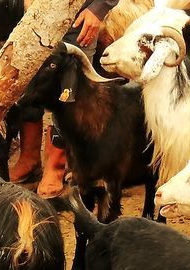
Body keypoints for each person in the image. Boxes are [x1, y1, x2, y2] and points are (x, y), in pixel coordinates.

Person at [8, 0, 118, 195]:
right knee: (30, 77)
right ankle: (29, 157)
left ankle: (56, 166)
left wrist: (98, 8)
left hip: (79, 17)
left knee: (69, 88)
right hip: (34, 14)